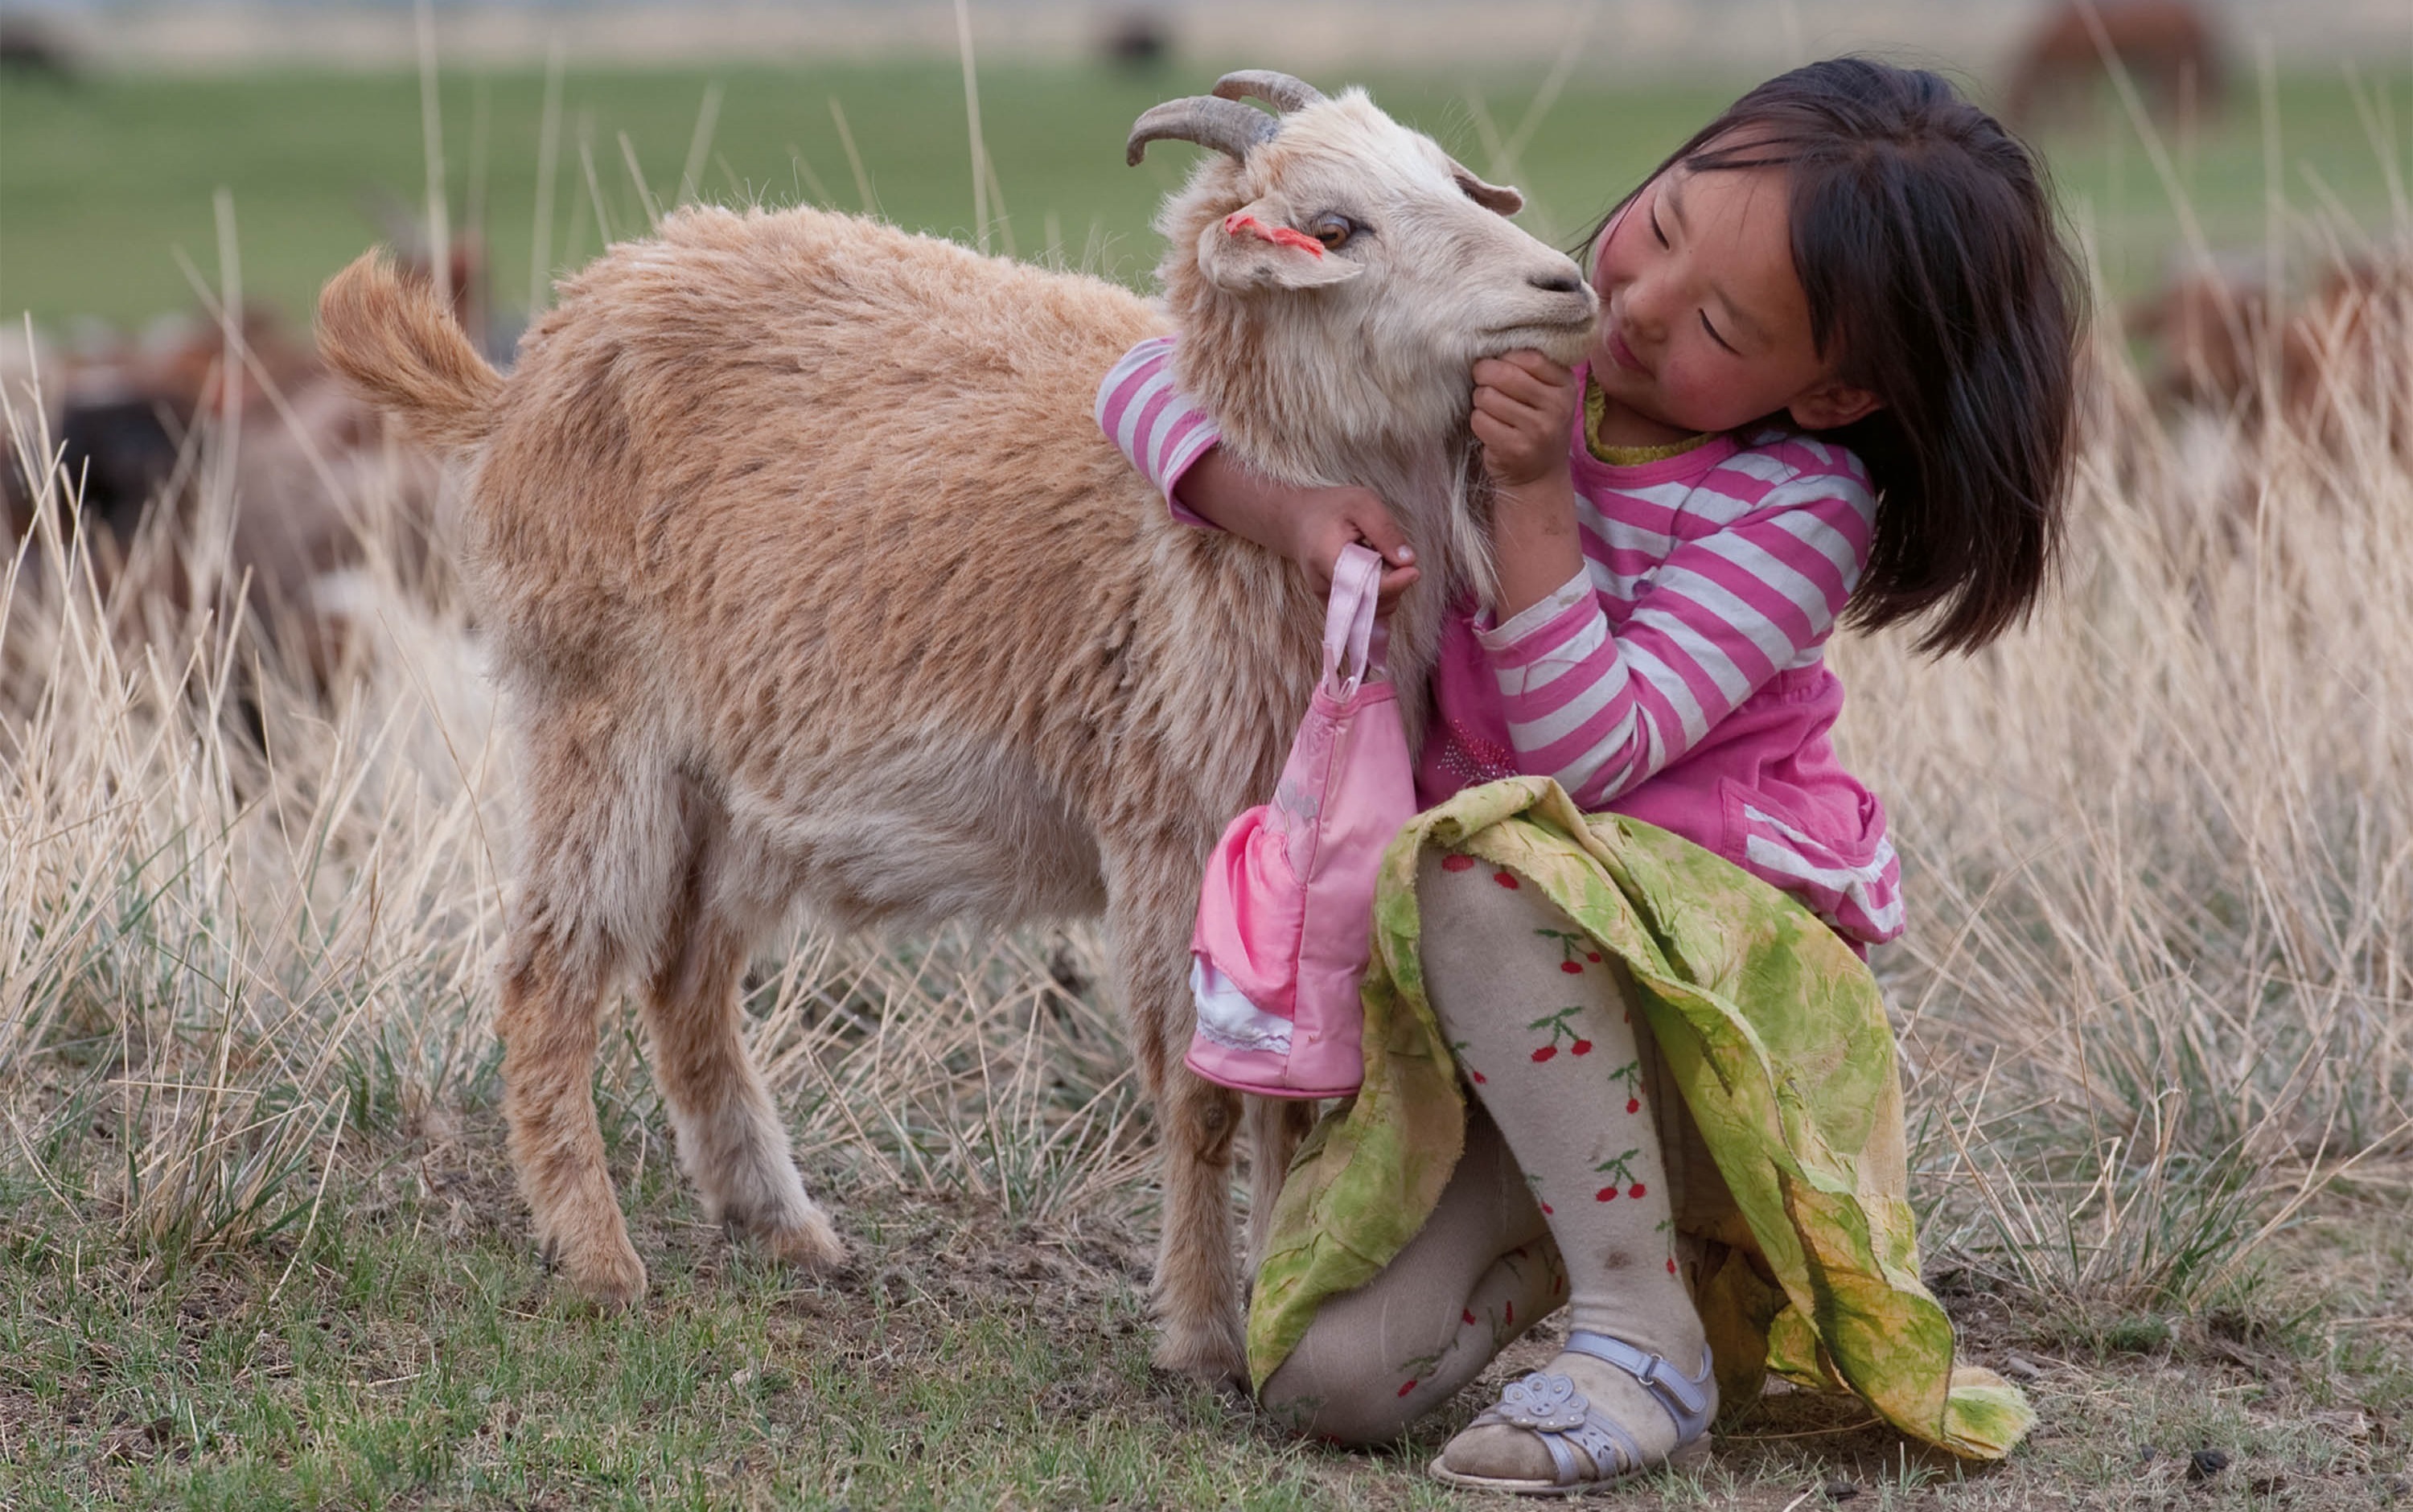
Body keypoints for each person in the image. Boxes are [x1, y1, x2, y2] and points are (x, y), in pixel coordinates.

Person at [1096, 58, 2078, 1492]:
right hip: (1519, 1035)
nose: (1632, 302)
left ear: (1838, 390)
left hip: (1686, 1000)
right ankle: (1611, 1243)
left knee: (1487, 874)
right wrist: (1287, 508)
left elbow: (1583, 759)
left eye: (1719, 322)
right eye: (1662, 225)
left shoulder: (1797, 514)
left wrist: (1538, 497)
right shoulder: (1527, 339)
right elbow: (1140, 376)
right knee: (1323, 1379)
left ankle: (1638, 1331)